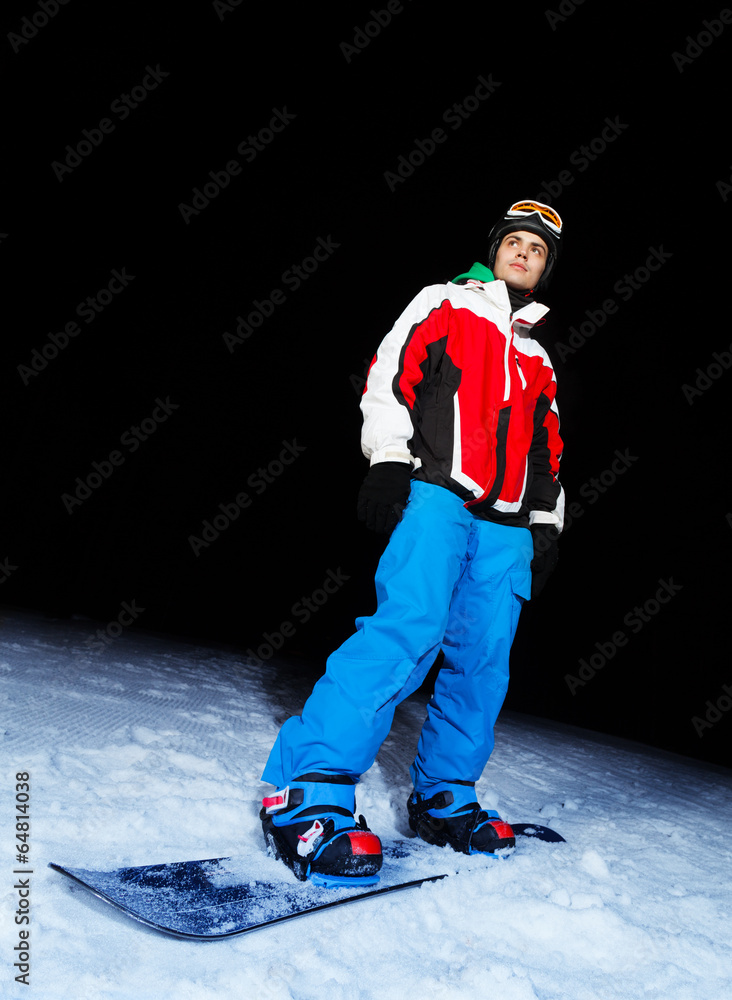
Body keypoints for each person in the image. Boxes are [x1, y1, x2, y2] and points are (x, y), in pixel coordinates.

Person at [260, 200, 565, 887]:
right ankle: (305, 786)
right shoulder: (446, 302)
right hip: (438, 491)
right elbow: (391, 374)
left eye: (538, 250)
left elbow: (549, 452)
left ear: (546, 269)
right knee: (409, 628)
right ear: (496, 250)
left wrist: (547, 525)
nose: (524, 254)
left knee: (484, 660)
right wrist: (390, 458)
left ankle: (444, 797)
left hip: (508, 522)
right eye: (515, 242)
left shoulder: (539, 356)